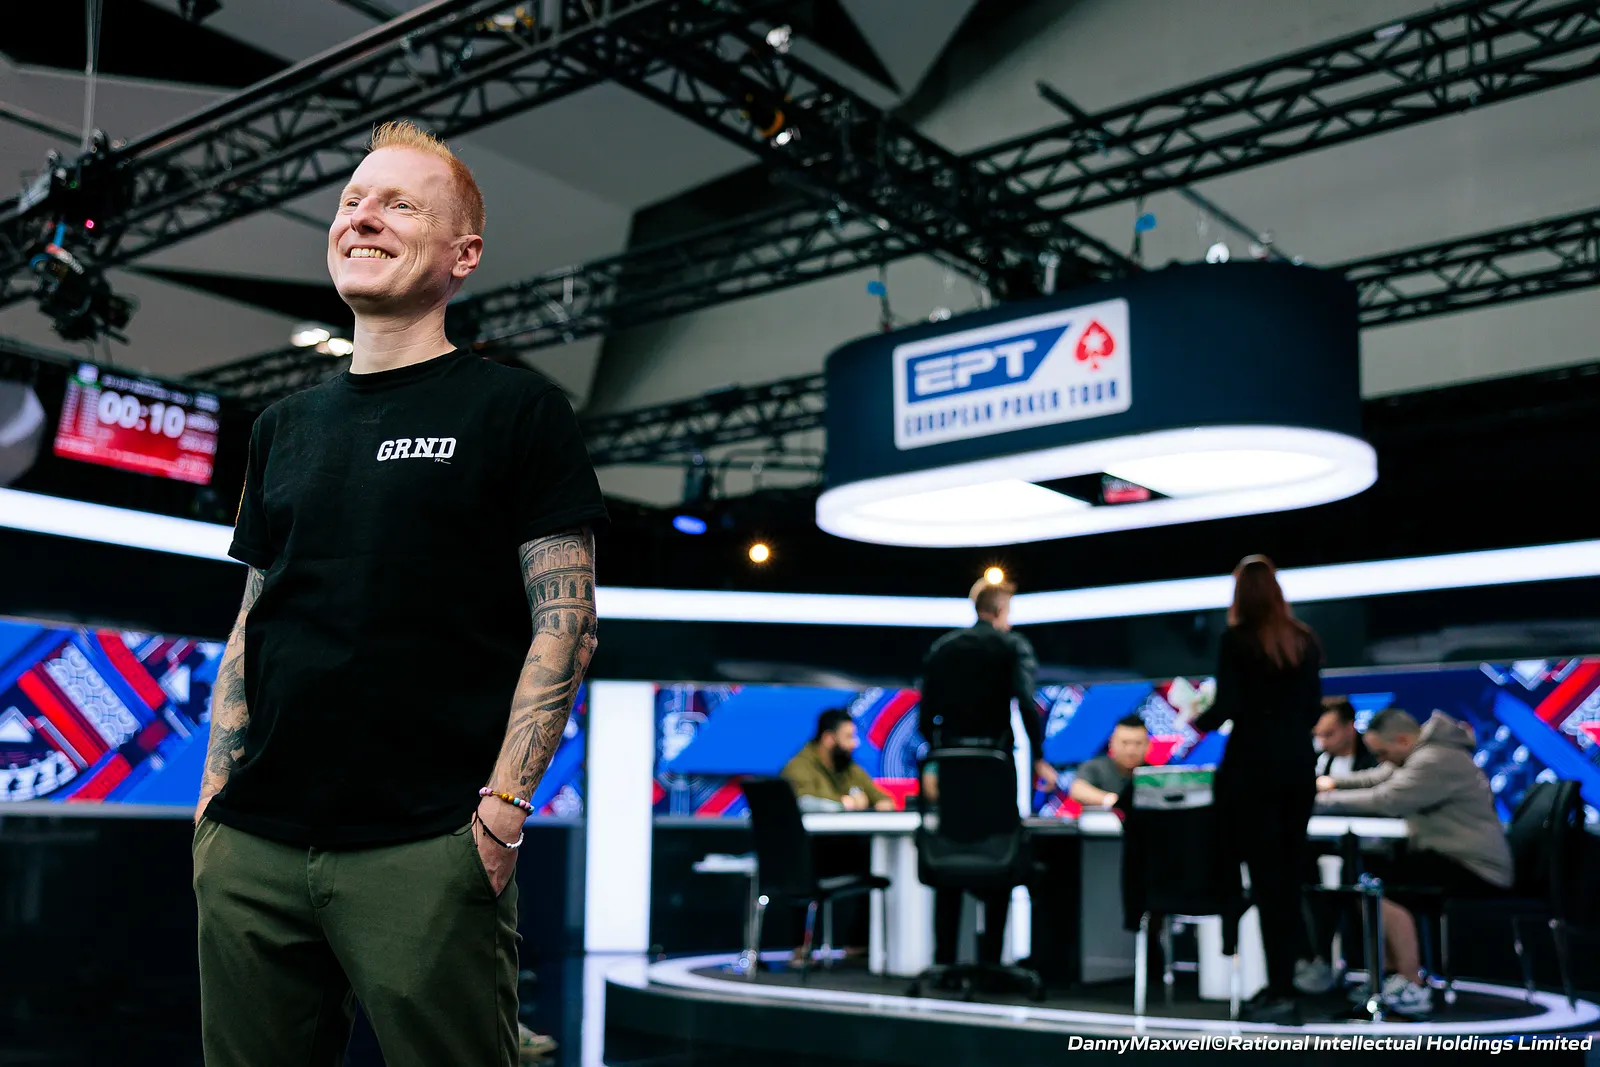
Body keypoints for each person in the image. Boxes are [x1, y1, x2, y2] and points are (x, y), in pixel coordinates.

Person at [192, 121, 607, 1067]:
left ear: (464, 254)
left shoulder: (516, 409)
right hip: (252, 844)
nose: (362, 217)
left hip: (428, 846)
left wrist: (502, 812)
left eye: (399, 204)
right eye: (351, 201)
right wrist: (212, 808)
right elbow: (254, 619)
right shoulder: (282, 425)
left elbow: (567, 623)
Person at [1188, 555, 1323, 1025]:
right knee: (1286, 878)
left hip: (1253, 771)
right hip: (1297, 770)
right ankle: (1287, 981)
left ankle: (1280, 987)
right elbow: (1312, 709)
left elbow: (1228, 704)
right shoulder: (1304, 640)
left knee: (1265, 881)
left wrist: (1199, 720)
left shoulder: (1236, 641)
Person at [1315, 708, 1512, 1017]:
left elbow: (1387, 799)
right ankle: (1390, 977)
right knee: (1374, 879)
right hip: (1450, 857)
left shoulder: (1436, 758)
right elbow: (1376, 778)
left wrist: (1317, 800)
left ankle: (1411, 982)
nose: (1381, 760)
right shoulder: (1420, 754)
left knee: (1383, 885)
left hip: (1475, 866)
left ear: (1403, 740)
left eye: (1382, 753)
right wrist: (1330, 784)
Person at [919, 576, 1058, 971]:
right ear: (1000, 610)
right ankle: (992, 963)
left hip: (953, 770)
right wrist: (1039, 757)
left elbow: (925, 717)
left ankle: (944, 962)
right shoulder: (1011, 645)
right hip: (996, 768)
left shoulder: (942, 649)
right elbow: (1027, 704)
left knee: (950, 857)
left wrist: (941, 751)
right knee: (1000, 857)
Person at [782, 708, 896, 812]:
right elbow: (804, 802)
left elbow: (883, 798)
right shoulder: (798, 767)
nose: (855, 743)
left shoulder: (849, 766)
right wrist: (846, 803)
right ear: (828, 739)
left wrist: (883, 804)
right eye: (848, 737)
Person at [1068, 714, 1150, 810]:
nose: (1130, 751)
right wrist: (1110, 800)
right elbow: (1077, 790)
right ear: (1111, 742)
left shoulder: (1153, 773)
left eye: (1138, 743)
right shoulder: (1095, 767)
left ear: (1148, 745)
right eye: (1125, 743)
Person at [1313, 696, 1379, 778]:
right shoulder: (1317, 761)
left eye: (1329, 734)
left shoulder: (1377, 759)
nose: (1323, 743)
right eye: (1318, 735)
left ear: (1350, 728)